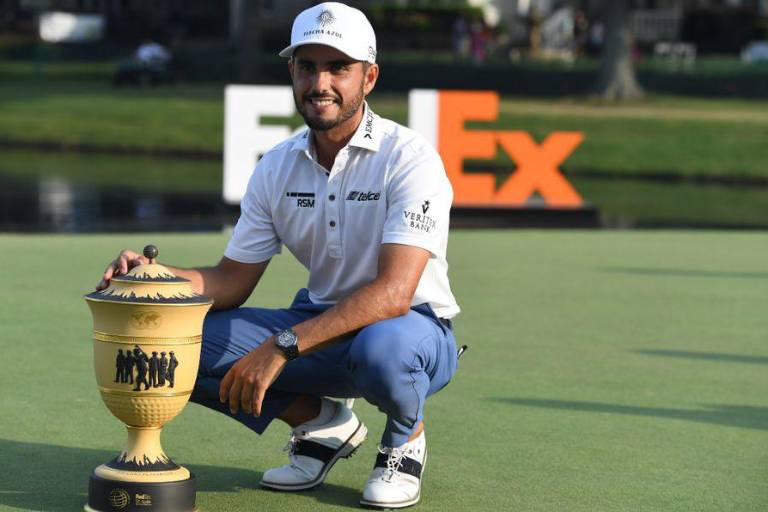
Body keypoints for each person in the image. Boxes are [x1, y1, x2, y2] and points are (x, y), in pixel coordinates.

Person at [97, 2, 459, 508]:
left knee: (383, 352)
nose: (320, 83)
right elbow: (230, 280)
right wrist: (154, 276)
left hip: (413, 331)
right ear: (291, 71)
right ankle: (322, 424)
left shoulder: (410, 158)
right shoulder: (277, 166)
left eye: (338, 68)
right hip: (320, 326)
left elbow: (394, 294)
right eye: (307, 66)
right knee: (177, 343)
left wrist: (282, 346)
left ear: (369, 77)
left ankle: (404, 439)